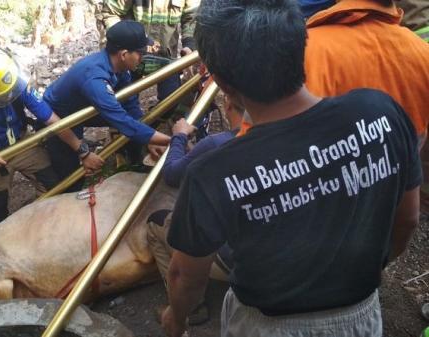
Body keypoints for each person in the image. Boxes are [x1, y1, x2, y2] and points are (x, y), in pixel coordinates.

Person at [161, 1, 421, 337]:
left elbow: (186, 275)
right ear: (301, 43)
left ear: (222, 84)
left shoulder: (214, 171)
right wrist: (372, 266)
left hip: (266, 325)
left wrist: (175, 318)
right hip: (360, 316)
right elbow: (409, 218)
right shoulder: (381, 113)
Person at [0, 44, 104, 227]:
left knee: (53, 186)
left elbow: (52, 119)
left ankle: (42, 224)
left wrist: (82, 151)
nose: (8, 95)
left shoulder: (13, 82)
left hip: (23, 142)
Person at [303, 0, 429, 212]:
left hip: (327, 202)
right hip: (388, 198)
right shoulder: (421, 53)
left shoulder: (310, 48)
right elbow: (408, 219)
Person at [146, 95, 243, 325]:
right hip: (266, 250)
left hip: (229, 256)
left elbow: (172, 175)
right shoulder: (279, 132)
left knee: (154, 223)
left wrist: (178, 136)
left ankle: (188, 307)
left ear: (228, 105)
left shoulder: (216, 144)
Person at [42, 20, 171, 191]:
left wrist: (149, 140)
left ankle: (132, 160)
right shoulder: (95, 79)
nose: (142, 58)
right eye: (140, 53)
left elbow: (130, 106)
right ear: (124, 54)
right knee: (70, 177)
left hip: (83, 107)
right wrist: (173, 140)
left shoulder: (121, 67)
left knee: (133, 125)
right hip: (59, 116)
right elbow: (122, 120)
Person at [100, 0, 200, 101]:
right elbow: (110, 13)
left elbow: (192, 17)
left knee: (170, 102)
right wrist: (125, 40)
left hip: (166, 57)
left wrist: (189, 44)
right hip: (131, 57)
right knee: (123, 101)